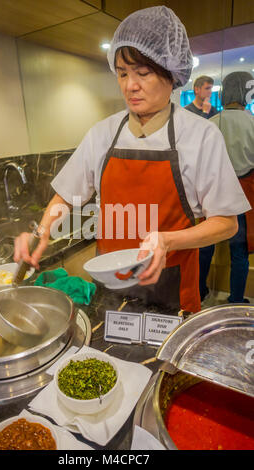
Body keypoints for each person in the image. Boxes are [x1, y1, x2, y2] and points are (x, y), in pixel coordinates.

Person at [14, 6, 250, 314]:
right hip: (110, 289)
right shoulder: (103, 133)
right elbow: (68, 194)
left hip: (172, 288)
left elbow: (226, 223)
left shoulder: (201, 136)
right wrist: (42, 230)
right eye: (123, 74)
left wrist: (167, 241)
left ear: (172, 74)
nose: (129, 85)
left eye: (143, 73)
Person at [200, 71, 254, 303]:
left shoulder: (211, 124)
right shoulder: (252, 122)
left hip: (213, 193)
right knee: (239, 252)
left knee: (204, 247)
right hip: (244, 195)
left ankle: (199, 291)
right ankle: (235, 299)